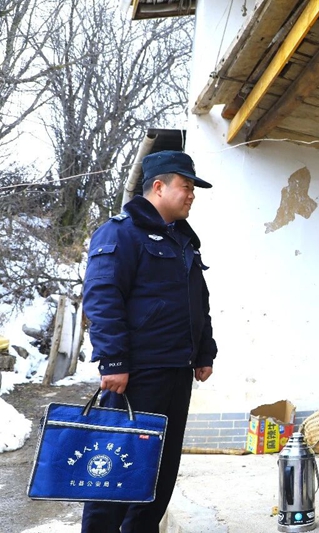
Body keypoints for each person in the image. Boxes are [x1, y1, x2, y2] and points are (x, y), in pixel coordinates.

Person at [81, 150, 217, 532]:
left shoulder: (184, 240)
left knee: (159, 473)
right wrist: (114, 360)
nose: (192, 195)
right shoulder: (121, 232)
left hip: (177, 372)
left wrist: (204, 351)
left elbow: (198, 302)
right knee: (116, 469)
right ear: (158, 186)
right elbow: (102, 297)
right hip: (137, 375)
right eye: (186, 186)